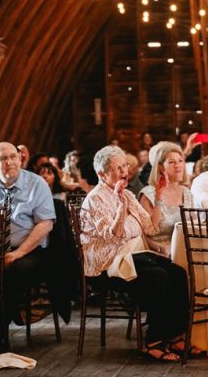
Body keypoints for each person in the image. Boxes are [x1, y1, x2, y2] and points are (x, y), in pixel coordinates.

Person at [79, 145, 190, 361]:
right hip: (106, 263)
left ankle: (175, 334)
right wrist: (120, 207)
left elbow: (151, 228)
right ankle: (153, 340)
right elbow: (114, 235)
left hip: (130, 254)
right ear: (102, 174)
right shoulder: (95, 199)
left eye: (124, 166)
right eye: (117, 168)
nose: (124, 172)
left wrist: (158, 196)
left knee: (177, 272)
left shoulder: (128, 194)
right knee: (158, 276)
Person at [0, 142, 57, 353]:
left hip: (28, 251)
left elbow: (45, 224)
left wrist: (18, 253)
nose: (9, 162)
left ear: (20, 159)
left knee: (10, 273)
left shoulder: (37, 184)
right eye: (3, 158)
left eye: (13, 157)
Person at [139, 142, 193, 258]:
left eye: (180, 160)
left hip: (185, 250)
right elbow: (142, 235)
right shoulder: (148, 194)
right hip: (159, 254)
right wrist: (162, 248)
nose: (178, 165)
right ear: (160, 167)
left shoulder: (187, 192)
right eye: (172, 162)